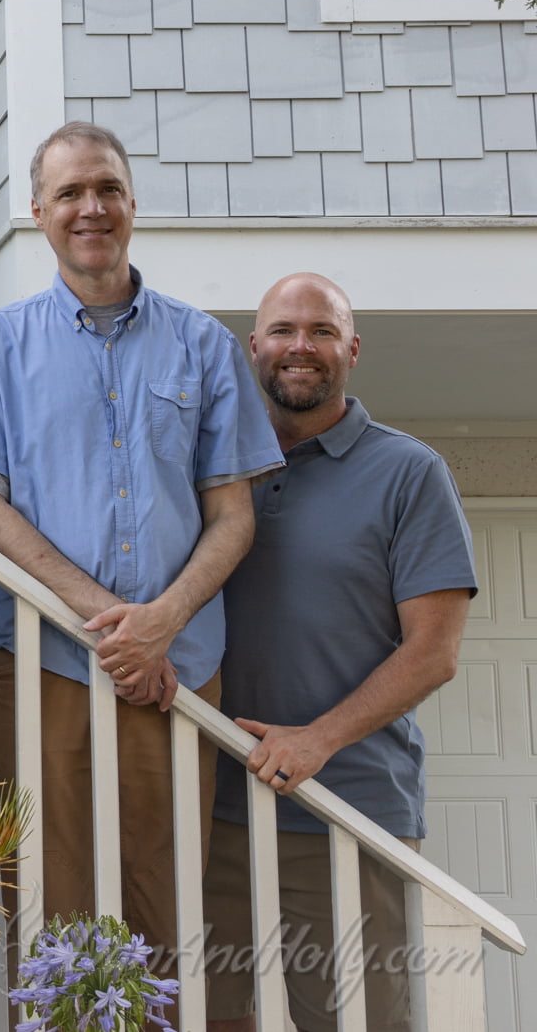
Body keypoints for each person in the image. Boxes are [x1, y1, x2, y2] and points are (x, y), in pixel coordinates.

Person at [0, 121, 282, 975]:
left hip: (179, 665)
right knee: (51, 899)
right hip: (47, 661)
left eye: (106, 190)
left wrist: (162, 623)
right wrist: (113, 625)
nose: (89, 208)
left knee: (163, 897)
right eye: (69, 194)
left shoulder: (203, 345)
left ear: (131, 205)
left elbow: (233, 515)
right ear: (39, 212)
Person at [205, 274, 474, 1032]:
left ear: (351, 349)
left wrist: (317, 738)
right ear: (253, 347)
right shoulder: (213, 471)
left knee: (356, 1022)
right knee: (208, 1014)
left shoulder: (409, 472)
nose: (301, 347)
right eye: (283, 330)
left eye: (321, 331)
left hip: (347, 811)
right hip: (212, 806)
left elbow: (434, 652)